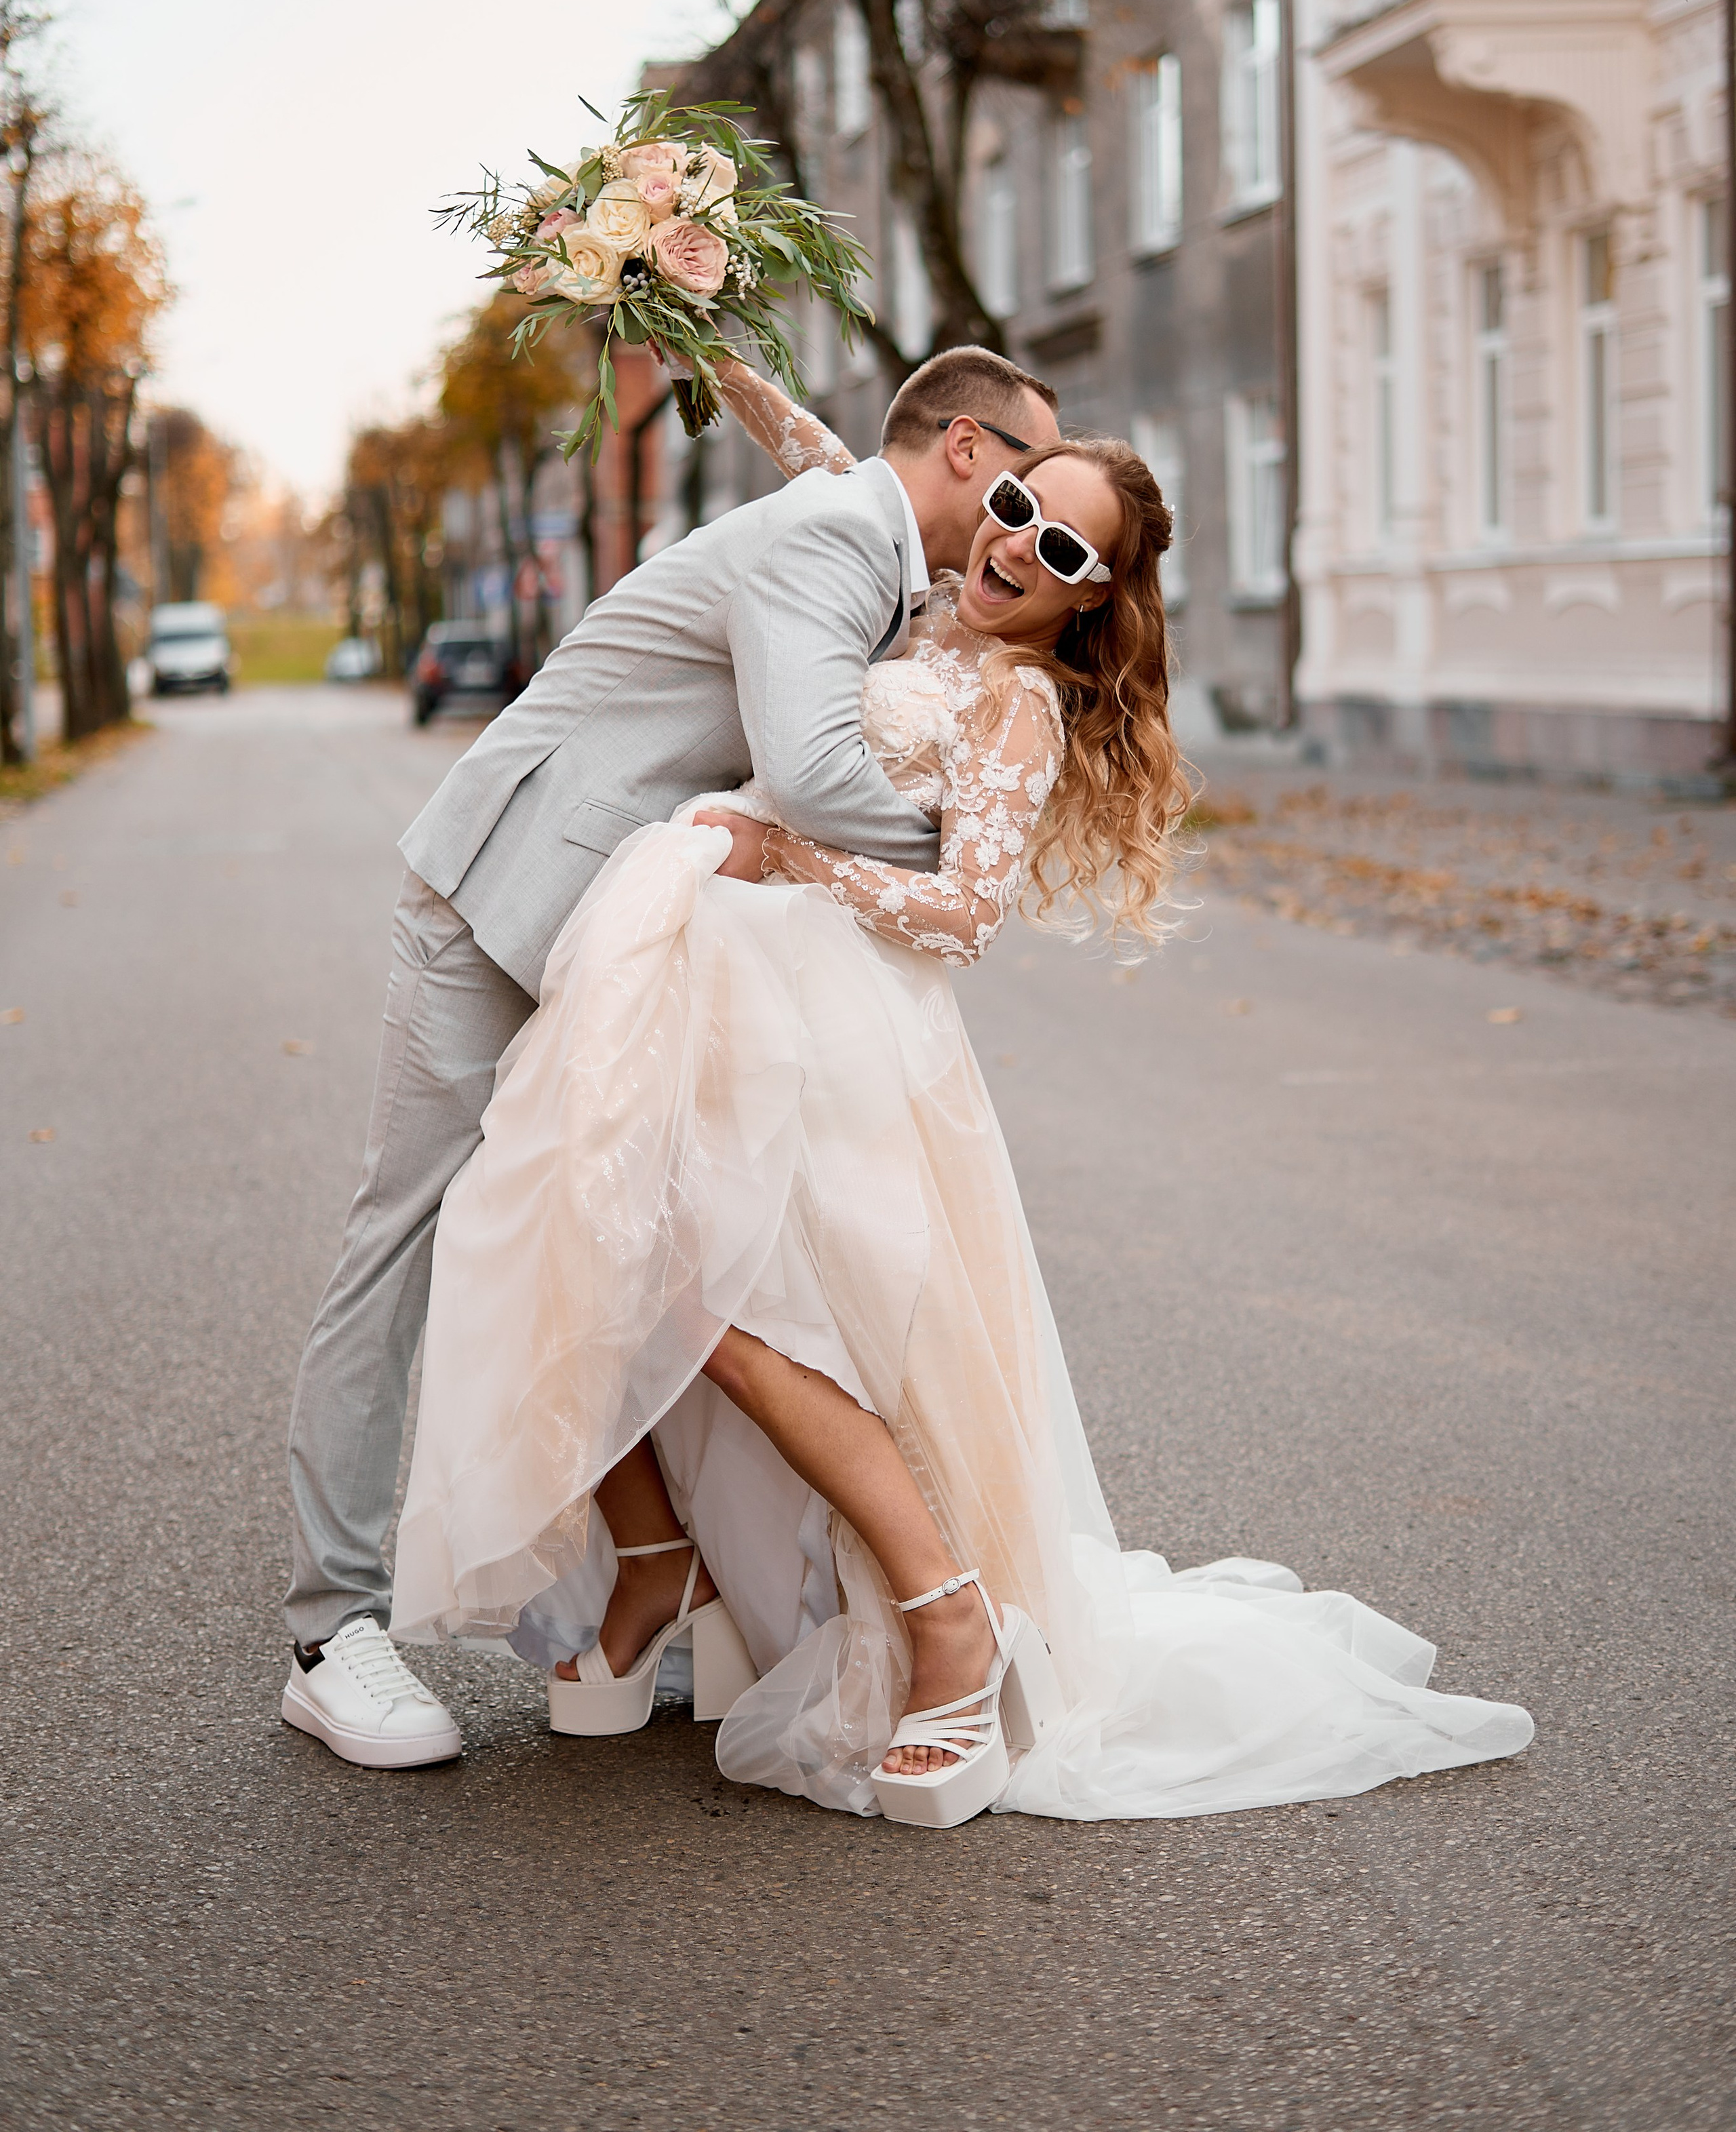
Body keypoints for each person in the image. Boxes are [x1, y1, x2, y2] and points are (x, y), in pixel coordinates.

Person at [387, 359, 1535, 1826]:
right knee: (607, 1247)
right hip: (720, 988)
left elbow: (967, 913)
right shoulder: (913, 590)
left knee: (748, 1318)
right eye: (1010, 507)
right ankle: (682, 1573)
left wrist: (789, 858)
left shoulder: (1016, 707)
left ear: (1091, 600)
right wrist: (696, 318)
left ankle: (944, 1616)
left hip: (847, 1023)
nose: (1012, 547)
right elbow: (828, 454)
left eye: (1059, 549)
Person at [280, 347, 1061, 1769]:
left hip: (627, 937)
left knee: (663, 1244)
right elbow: (818, 775)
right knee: (409, 1234)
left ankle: (666, 1571)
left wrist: (699, 331)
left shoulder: (865, 534)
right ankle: (332, 1631)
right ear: (962, 448)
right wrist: (979, 850)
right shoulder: (837, 535)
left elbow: (814, 442)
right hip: (507, 895)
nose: (1022, 528)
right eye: (1020, 486)